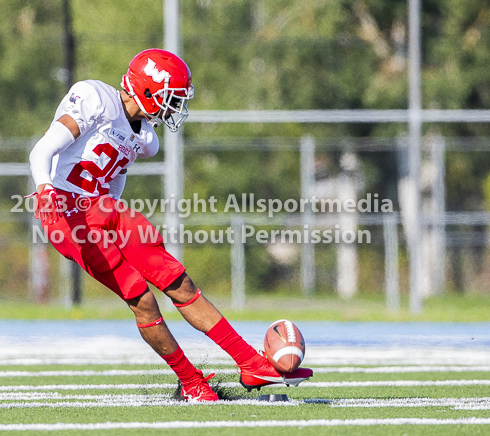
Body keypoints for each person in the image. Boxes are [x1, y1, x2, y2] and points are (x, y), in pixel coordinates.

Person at [27, 48, 313, 401]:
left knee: (179, 281)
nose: (175, 107)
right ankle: (192, 383)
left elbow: (114, 181)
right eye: (171, 97)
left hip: (103, 208)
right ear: (148, 90)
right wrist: (44, 193)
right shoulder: (94, 98)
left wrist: (115, 215)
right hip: (65, 213)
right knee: (142, 299)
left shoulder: (145, 138)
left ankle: (250, 363)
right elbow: (41, 151)